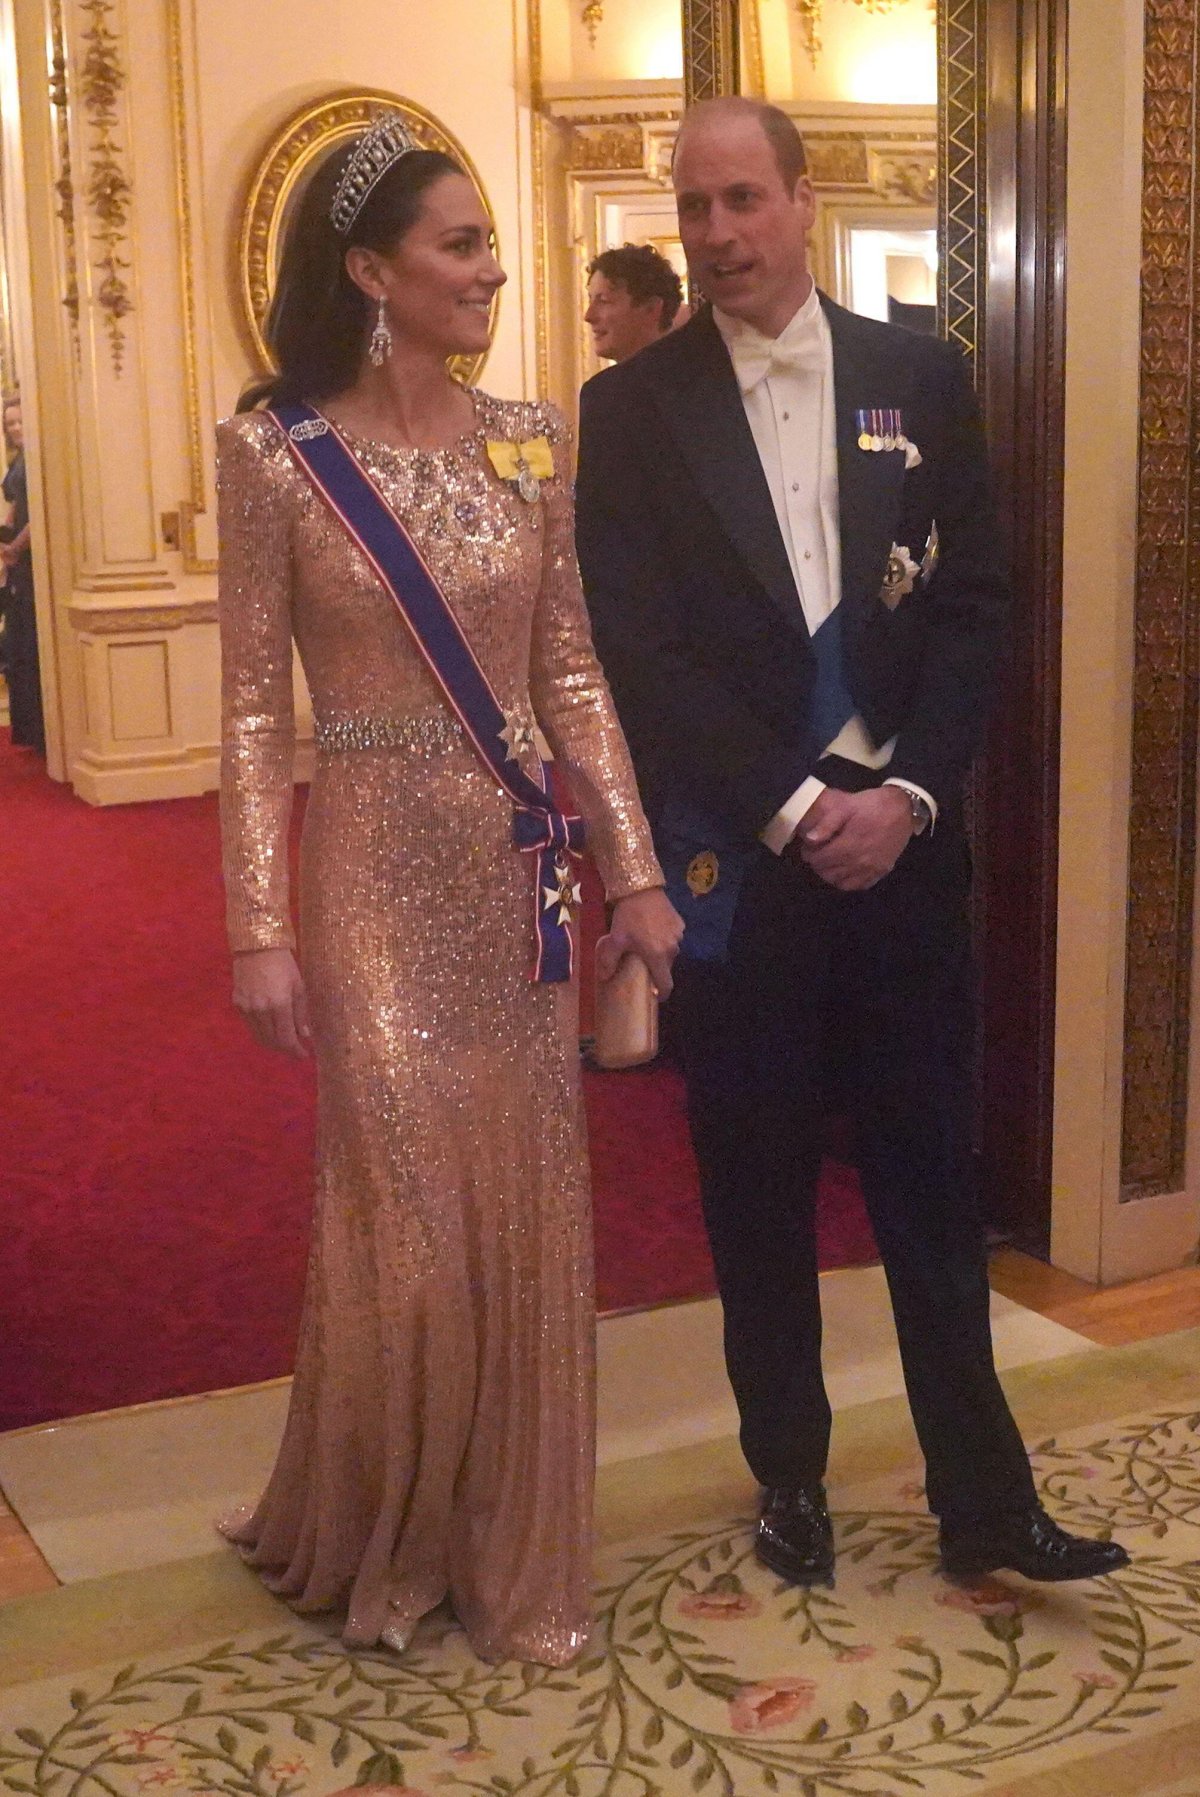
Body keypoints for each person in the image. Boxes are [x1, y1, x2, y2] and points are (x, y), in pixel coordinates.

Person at [575, 97, 1128, 1592]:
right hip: (750, 872)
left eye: (744, 200)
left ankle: (984, 1500)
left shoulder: (918, 372)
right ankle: (792, 1477)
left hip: (906, 859)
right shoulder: (630, 410)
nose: (717, 235)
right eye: (694, 208)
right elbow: (644, 655)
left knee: (931, 1186)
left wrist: (911, 797)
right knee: (753, 1190)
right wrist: (800, 804)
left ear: (804, 201)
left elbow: (977, 606)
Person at [216, 114, 680, 1665]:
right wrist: (259, 924)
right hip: (363, 875)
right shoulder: (276, 451)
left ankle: (504, 1538)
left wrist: (632, 868)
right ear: (372, 271)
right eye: (462, 244)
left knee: (523, 1213)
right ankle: (381, 1528)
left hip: (513, 877)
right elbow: (249, 714)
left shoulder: (531, 436)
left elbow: (570, 672)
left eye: (489, 244)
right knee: (407, 1230)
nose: (493, 269)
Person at [1, 393, 45, 754]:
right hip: (18, 559)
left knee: (29, 644)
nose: (15, 428)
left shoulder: (39, 460)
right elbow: (14, 512)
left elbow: (39, 515)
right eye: (10, 423)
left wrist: (14, 549)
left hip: (34, 562)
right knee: (18, 645)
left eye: (19, 421)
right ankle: (29, 729)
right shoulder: (20, 461)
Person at [584, 242, 684, 363]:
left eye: (604, 301)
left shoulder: (691, 378)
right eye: (591, 300)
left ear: (651, 308)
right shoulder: (607, 381)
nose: (589, 316)